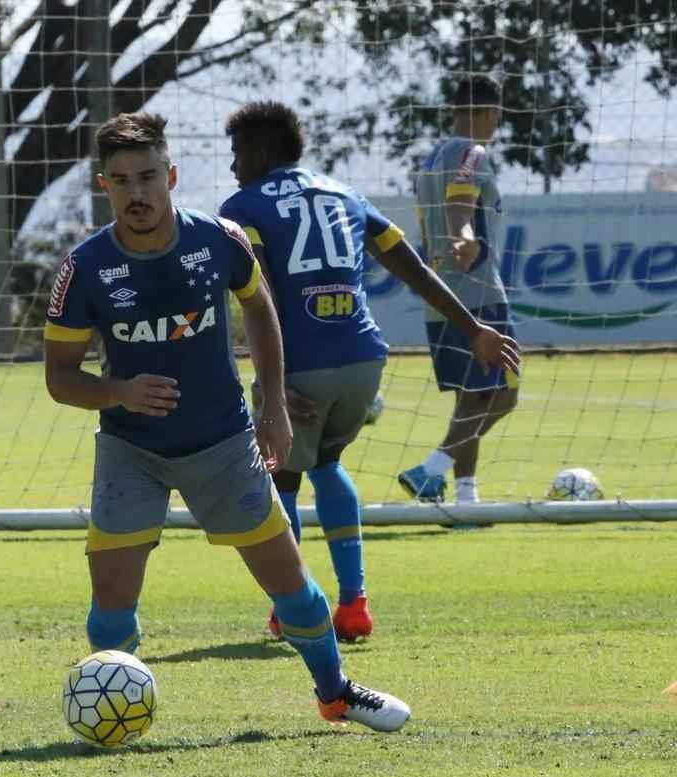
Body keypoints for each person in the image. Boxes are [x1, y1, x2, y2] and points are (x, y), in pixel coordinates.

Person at [44, 111, 411, 731]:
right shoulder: (84, 270)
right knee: (111, 602)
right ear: (104, 186)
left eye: (149, 176)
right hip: (131, 449)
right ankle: (109, 715)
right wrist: (120, 391)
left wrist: (272, 405)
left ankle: (336, 692)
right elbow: (60, 378)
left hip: (223, 442)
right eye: (122, 180)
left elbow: (261, 313)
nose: (138, 192)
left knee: (291, 586)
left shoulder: (220, 240)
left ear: (172, 175)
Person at [218, 101, 520, 642]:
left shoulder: (244, 206)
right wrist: (472, 327)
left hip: (301, 358)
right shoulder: (345, 193)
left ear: (261, 152)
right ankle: (354, 605)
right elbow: (411, 265)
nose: (234, 167)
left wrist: (277, 385)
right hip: (363, 357)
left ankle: (291, 607)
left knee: (281, 472)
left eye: (238, 154)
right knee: (329, 461)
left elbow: (259, 295)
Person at [399, 74, 520, 505]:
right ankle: (430, 469)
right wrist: (464, 234)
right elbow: (460, 203)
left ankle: (466, 496)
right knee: (505, 395)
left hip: (441, 299)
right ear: (492, 113)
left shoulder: (431, 158)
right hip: (478, 294)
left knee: (472, 400)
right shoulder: (473, 151)